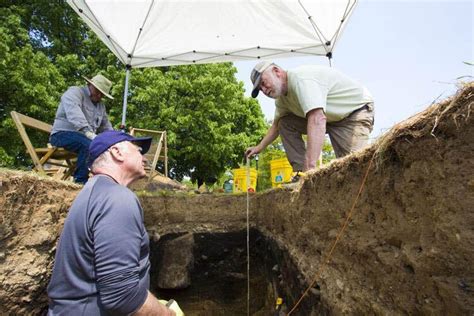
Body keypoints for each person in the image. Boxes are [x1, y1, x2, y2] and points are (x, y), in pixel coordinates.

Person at [47, 130, 181, 316]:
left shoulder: (93, 193)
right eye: (138, 150)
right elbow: (122, 297)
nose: (144, 158)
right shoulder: (118, 199)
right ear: (117, 152)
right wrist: (168, 314)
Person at [245, 61, 374, 177]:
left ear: (276, 71)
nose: (264, 90)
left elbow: (317, 119)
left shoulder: (301, 80)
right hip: (330, 118)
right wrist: (259, 147)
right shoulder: (282, 100)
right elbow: (276, 125)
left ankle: (308, 174)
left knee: (354, 170)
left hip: (353, 113)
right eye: (260, 89)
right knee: (284, 123)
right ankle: (300, 172)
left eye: (263, 83)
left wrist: (310, 168)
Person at [50, 74, 115, 184]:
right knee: (90, 145)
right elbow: (74, 114)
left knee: (104, 149)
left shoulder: (101, 106)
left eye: (102, 94)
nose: (99, 95)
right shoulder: (75, 92)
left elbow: (106, 126)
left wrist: (115, 140)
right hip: (61, 135)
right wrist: (88, 132)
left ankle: (103, 182)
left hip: (84, 139)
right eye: (97, 90)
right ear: (89, 84)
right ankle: (80, 182)